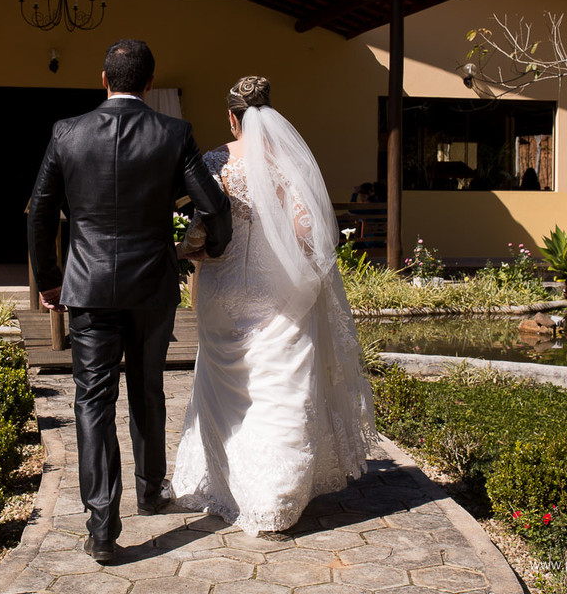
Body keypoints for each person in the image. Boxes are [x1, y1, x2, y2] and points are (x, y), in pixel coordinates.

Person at [27, 39, 232, 565]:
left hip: (88, 288)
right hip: (151, 284)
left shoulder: (67, 132)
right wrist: (213, 246)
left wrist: (50, 281)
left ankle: (101, 526)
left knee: (92, 399)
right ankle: (150, 489)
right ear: (148, 83)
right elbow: (212, 205)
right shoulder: (173, 133)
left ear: (103, 79)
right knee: (148, 385)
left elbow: (40, 213)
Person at [169, 76, 376, 536]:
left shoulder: (214, 160)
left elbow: (203, 229)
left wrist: (187, 251)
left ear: (231, 117)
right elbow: (308, 231)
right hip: (277, 291)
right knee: (280, 387)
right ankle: (276, 497)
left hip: (223, 288)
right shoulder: (287, 162)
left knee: (225, 387)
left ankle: (224, 484)